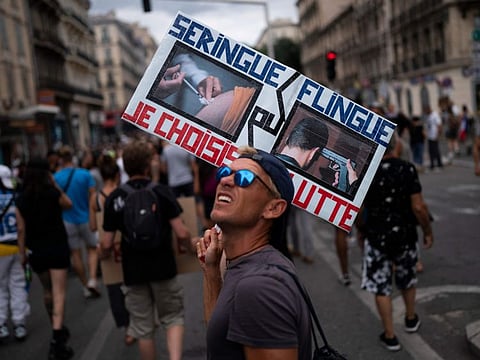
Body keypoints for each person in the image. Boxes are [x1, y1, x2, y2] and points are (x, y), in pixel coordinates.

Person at [196, 146, 312, 359]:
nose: (225, 180)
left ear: (273, 208)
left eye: (244, 178)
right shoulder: (248, 264)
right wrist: (211, 272)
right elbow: (220, 342)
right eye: (224, 172)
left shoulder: (260, 287)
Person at [100, 140, 192, 360]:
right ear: (147, 165)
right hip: (164, 267)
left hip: (133, 272)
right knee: (173, 318)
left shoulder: (115, 198)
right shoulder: (161, 192)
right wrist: (190, 247)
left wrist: (103, 256)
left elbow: (105, 244)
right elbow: (181, 233)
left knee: (143, 328)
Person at [359, 133, 434, 352]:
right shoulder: (407, 169)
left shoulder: (367, 173)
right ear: (396, 145)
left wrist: (361, 231)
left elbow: (360, 210)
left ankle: (390, 335)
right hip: (405, 236)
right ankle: (410, 318)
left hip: (376, 238)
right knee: (407, 278)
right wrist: (428, 231)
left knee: (381, 286)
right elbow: (419, 207)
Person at [15, 158, 74, 359]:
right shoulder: (52, 193)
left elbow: (20, 229)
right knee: (59, 293)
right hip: (57, 247)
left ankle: (56, 325)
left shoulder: (21, 199)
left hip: (36, 251)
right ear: (46, 174)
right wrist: (54, 183)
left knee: (48, 291)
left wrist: (22, 254)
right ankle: (57, 337)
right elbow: (68, 204)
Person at [54, 145, 100, 298]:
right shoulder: (85, 174)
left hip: (67, 220)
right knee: (92, 249)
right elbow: (93, 196)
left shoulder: (56, 178)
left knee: (75, 254)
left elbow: (57, 201)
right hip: (86, 217)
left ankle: (85, 285)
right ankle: (93, 279)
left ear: (60, 159)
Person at [0, 165, 30, 342]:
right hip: (16, 246)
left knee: (0, 288)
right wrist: (22, 251)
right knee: (18, 285)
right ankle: (19, 324)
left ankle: (1, 325)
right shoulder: (15, 197)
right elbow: (21, 227)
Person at [424, 105, 443, 171]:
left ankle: (439, 164)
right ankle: (432, 164)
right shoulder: (428, 116)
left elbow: (439, 125)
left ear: (429, 109)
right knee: (431, 151)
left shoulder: (435, 115)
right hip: (430, 136)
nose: (425, 112)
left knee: (436, 150)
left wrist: (438, 135)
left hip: (434, 135)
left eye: (426, 111)